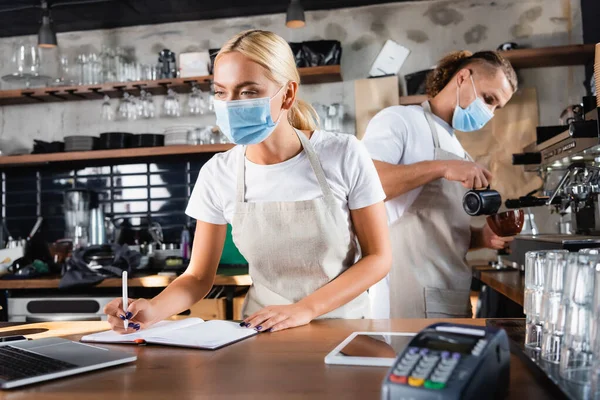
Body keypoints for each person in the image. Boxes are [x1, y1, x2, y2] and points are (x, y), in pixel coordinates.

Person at [104, 30, 391, 333]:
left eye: (248, 92)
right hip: (261, 331)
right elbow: (198, 276)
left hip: (343, 329)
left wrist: (305, 309)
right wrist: (152, 309)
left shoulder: (343, 153)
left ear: (288, 94)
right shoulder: (218, 173)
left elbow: (378, 257)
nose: (230, 104)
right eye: (220, 92)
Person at [362, 50, 518, 319]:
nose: (489, 112)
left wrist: (482, 238)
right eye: (488, 99)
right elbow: (367, 187)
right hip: (409, 295)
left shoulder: (458, 149)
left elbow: (440, 230)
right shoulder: (400, 120)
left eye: (496, 108)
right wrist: (442, 168)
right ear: (462, 77)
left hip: (452, 294)